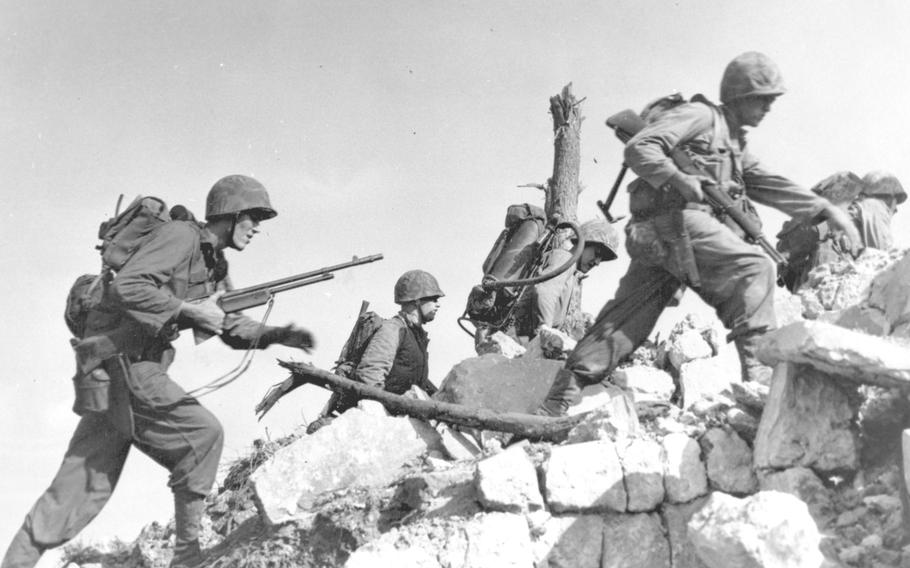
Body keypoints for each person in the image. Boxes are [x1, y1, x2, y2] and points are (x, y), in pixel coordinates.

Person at [2, 175, 316, 568]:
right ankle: (187, 559)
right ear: (230, 215)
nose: (256, 228)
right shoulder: (182, 237)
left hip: (110, 377)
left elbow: (229, 323)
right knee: (203, 437)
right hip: (128, 365)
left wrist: (278, 334)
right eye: (252, 217)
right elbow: (128, 288)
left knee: (77, 490)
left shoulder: (214, 262)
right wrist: (189, 311)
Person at [536, 51, 863, 417]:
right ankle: (763, 386)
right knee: (755, 270)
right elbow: (640, 147)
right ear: (741, 94)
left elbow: (771, 184)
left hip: (660, 236)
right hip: (675, 225)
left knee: (625, 319)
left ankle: (556, 402)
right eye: (763, 98)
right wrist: (678, 177)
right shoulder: (701, 116)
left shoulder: (734, 145)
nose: (769, 106)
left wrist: (825, 210)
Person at [307, 269, 443, 433]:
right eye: (433, 299)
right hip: (377, 415)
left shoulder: (416, 335)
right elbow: (370, 377)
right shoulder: (392, 330)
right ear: (416, 301)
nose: (438, 304)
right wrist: (392, 409)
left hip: (398, 414)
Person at [513, 218, 619, 340]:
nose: (597, 262)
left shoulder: (570, 268)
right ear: (583, 243)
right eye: (597, 253)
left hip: (525, 336)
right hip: (522, 337)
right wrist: (545, 332)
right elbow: (545, 292)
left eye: (602, 259)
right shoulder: (564, 258)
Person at [776, 171, 865, 292]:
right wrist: (829, 226)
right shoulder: (808, 223)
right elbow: (787, 253)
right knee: (825, 249)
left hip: (837, 291)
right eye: (851, 201)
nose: (853, 207)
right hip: (810, 288)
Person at [851, 170, 905, 250]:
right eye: (895, 202)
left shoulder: (858, 208)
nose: (895, 209)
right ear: (888, 198)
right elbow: (881, 254)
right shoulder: (874, 207)